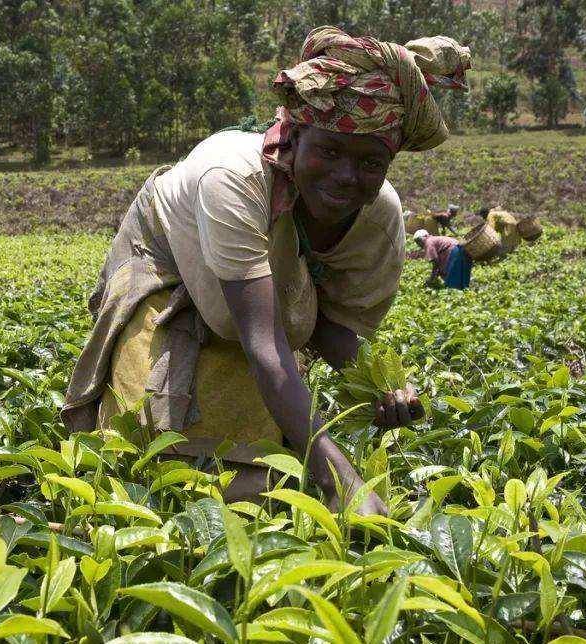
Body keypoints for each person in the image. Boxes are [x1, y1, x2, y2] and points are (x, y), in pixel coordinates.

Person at [60, 26, 471, 514]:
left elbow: (331, 329)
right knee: (157, 461)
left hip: (263, 293)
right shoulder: (232, 179)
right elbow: (263, 343)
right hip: (166, 254)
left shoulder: (379, 220)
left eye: (369, 162)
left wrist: (378, 384)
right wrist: (342, 480)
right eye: (330, 151)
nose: (346, 176)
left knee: (268, 468)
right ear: (294, 137)